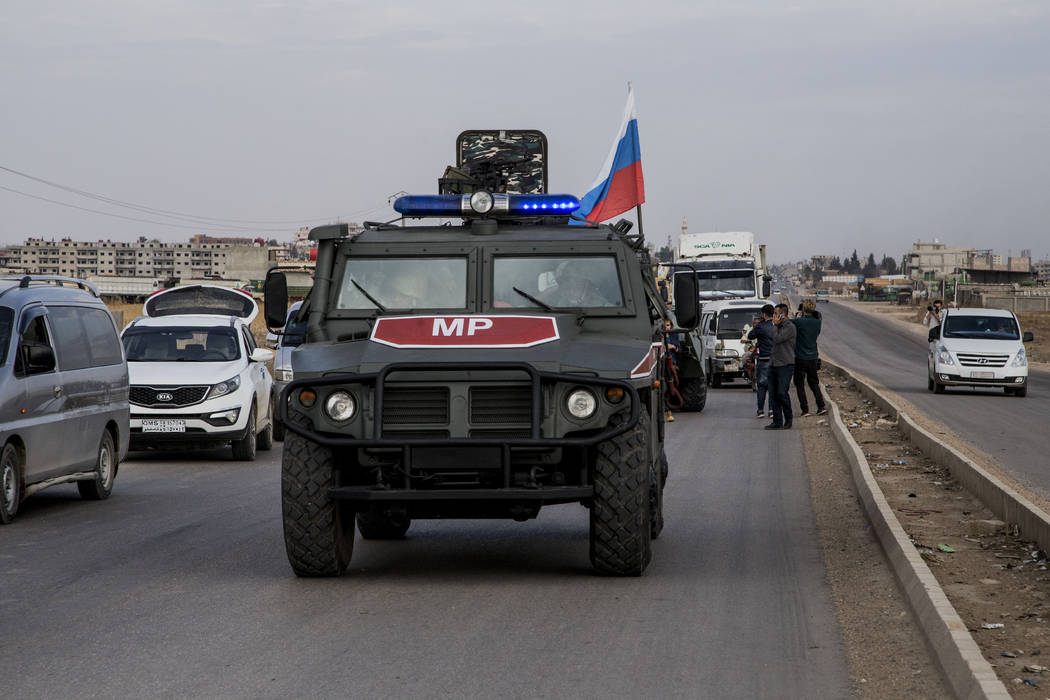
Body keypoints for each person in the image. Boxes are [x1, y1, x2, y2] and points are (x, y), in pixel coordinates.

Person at [792, 298, 827, 417]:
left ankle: (805, 409)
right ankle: (821, 406)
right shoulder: (818, 322)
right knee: (813, 383)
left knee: (799, 384)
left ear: (803, 308)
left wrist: (798, 317)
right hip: (813, 356)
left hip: (800, 357)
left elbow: (790, 324)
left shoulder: (799, 321)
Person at [766, 303, 796, 430]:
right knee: (773, 394)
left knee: (782, 392)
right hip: (773, 363)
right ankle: (777, 421)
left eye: (776, 314)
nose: (774, 316)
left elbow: (777, 339)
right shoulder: (777, 326)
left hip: (785, 364)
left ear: (783, 314)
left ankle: (788, 420)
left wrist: (774, 325)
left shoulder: (789, 327)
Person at [746, 304, 775, 419]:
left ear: (763, 314)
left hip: (763, 359)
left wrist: (756, 326)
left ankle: (760, 410)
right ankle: (772, 410)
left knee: (762, 385)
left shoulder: (760, 326)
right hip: (775, 359)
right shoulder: (776, 325)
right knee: (772, 385)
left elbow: (750, 336)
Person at [663, 318, 680, 422]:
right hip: (661, 362)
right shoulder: (660, 335)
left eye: (668, 325)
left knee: (669, 386)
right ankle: (666, 410)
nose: (666, 327)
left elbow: (678, 348)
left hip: (670, 363)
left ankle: (667, 409)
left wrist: (671, 346)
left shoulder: (674, 335)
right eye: (665, 325)